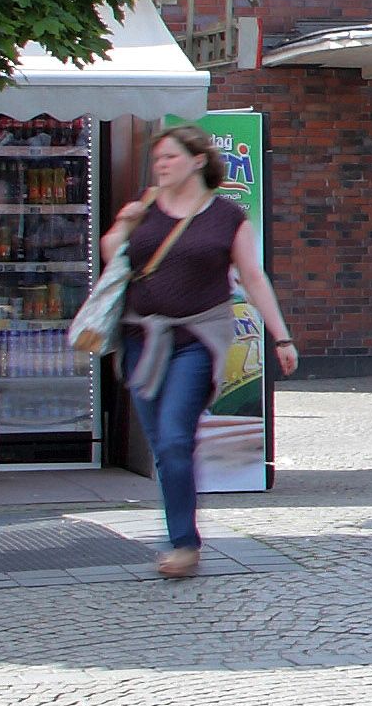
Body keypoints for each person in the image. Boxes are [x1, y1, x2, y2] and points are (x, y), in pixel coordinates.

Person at [95, 119, 299, 580]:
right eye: (157, 158)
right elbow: (114, 258)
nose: (161, 165)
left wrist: (280, 336)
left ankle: (183, 544)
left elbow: (252, 277)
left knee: (174, 438)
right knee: (166, 449)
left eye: (170, 157)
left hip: (197, 340)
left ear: (197, 161)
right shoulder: (146, 207)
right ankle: (180, 533)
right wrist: (122, 227)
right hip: (141, 340)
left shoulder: (227, 216)